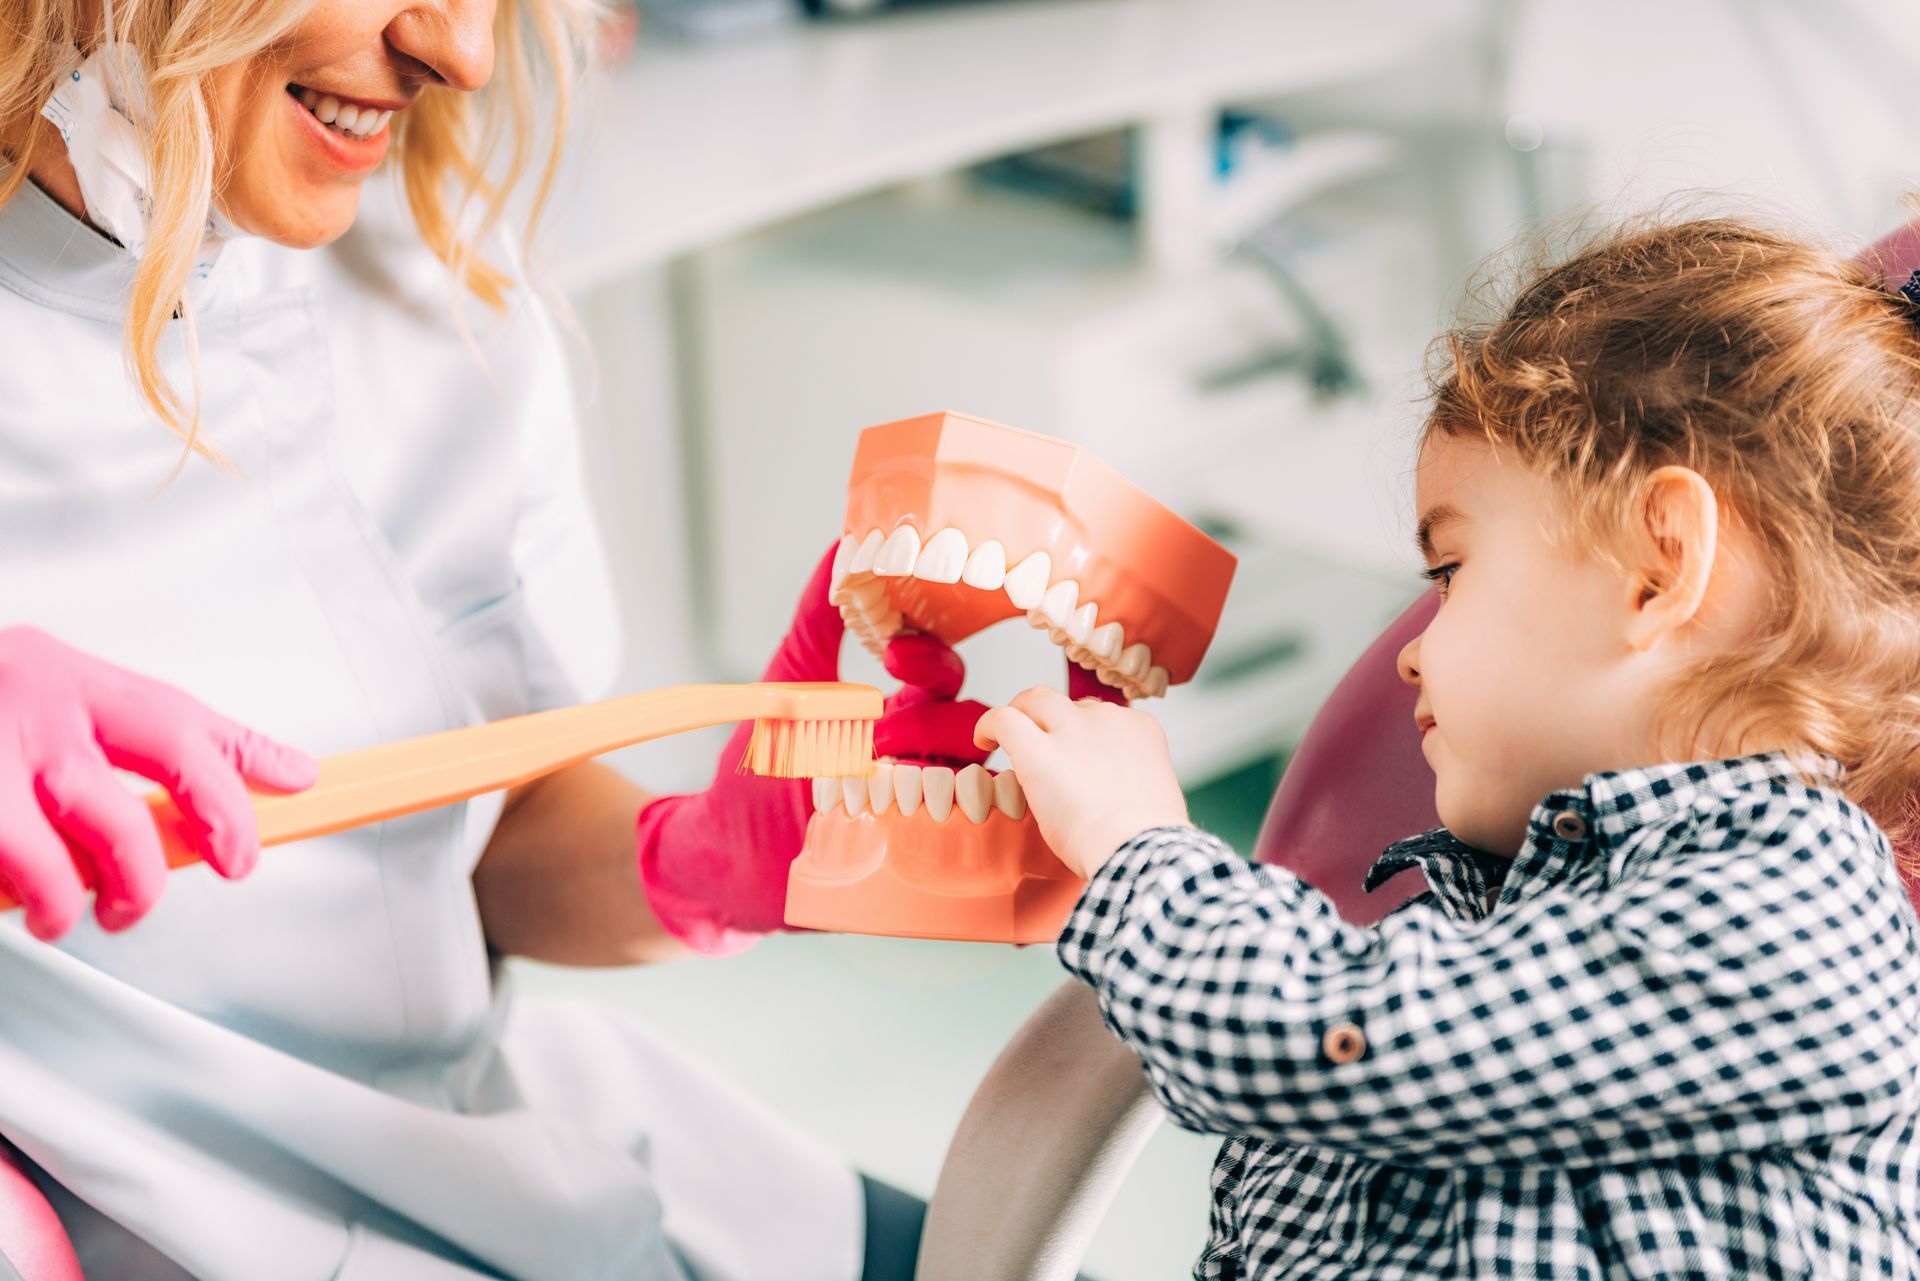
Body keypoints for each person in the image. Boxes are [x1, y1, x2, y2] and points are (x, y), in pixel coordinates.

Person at [0, 1, 983, 1276]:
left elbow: (472, 858)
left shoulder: (439, 298)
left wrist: (696, 864)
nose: (461, 51)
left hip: (527, 1149)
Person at [980, 218, 1920, 1277]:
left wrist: (1136, 847)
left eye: (1452, 571)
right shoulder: (1501, 923)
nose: (1409, 658)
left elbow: (1336, 1041)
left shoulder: (1790, 913)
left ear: (1660, 566)